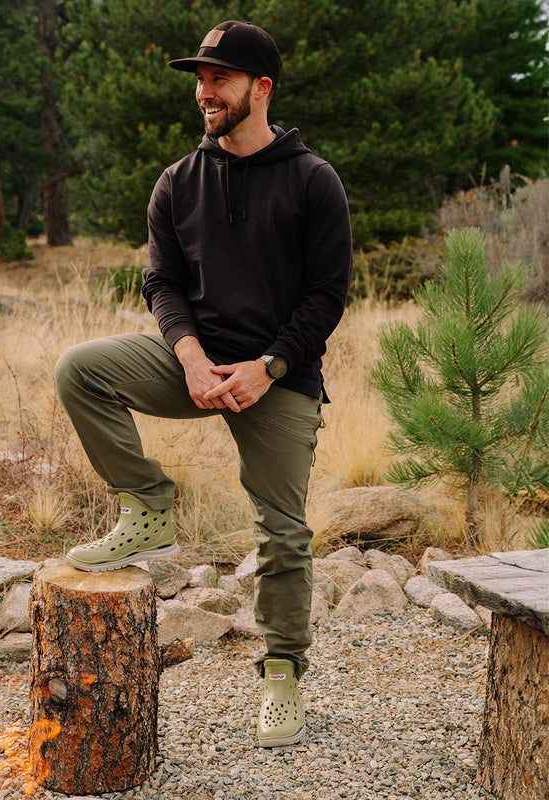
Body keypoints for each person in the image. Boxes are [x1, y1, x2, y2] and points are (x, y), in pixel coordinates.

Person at [54, 19, 352, 747]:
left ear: (261, 87)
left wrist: (271, 367)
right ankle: (149, 507)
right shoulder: (178, 182)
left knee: (282, 533)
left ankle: (282, 671)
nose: (204, 91)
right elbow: (162, 283)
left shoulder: (313, 181)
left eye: (220, 77)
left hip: (277, 377)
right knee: (80, 370)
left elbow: (328, 295)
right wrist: (186, 355)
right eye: (200, 77)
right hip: (194, 361)